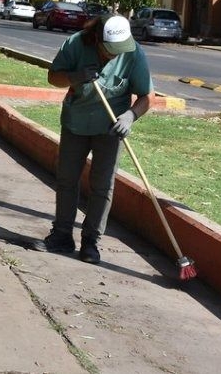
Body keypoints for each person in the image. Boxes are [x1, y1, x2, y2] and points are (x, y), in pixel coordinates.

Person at [27, 14, 153, 264]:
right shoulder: (75, 44)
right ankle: (62, 236)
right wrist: (76, 76)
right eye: (110, 50)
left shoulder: (133, 53)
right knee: (67, 180)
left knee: (103, 185)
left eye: (119, 50)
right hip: (76, 122)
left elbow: (146, 97)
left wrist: (129, 116)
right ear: (97, 39)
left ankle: (91, 241)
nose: (115, 55)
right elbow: (53, 77)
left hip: (110, 128)